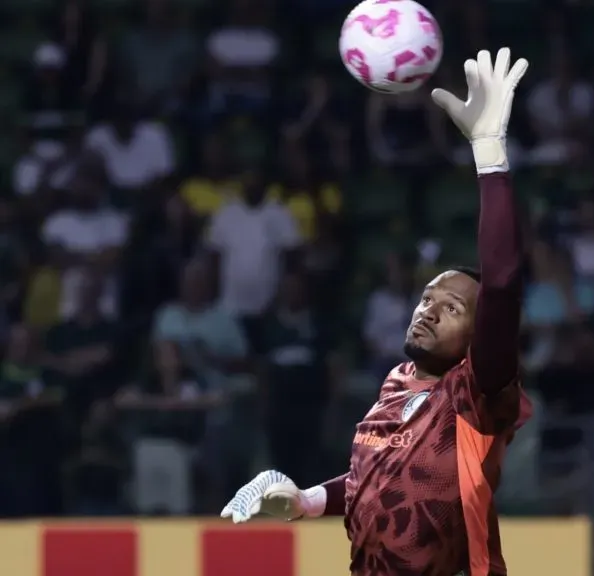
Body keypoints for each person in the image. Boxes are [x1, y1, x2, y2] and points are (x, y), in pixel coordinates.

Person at [221, 49, 532, 576]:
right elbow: (374, 481)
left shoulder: (476, 396)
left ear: (481, 335)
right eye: (426, 299)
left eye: (451, 307)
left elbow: (501, 282)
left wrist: (488, 151)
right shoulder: (397, 384)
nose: (429, 312)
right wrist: (306, 502)